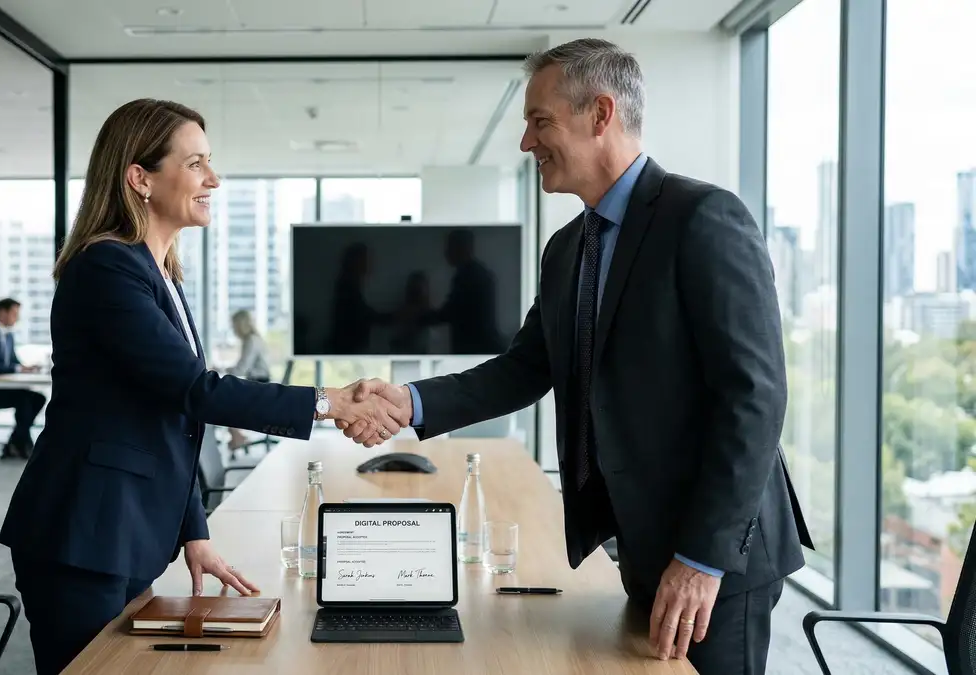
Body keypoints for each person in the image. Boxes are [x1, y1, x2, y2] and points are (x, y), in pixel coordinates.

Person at [339, 39, 812, 675]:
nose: (526, 142)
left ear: (600, 114)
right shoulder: (567, 248)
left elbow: (754, 396)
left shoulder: (702, 217)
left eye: (540, 121)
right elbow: (525, 368)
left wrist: (702, 559)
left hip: (716, 559)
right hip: (640, 543)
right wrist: (409, 402)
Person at [0, 98, 409, 675]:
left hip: (122, 529)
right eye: (195, 164)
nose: (213, 179)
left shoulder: (160, 273)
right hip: (83, 532)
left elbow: (174, 418)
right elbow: (196, 389)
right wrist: (330, 402)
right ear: (140, 178)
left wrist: (195, 531)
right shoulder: (105, 269)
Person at [0, 297, 46, 459]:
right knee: (25, 400)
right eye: (14, 314)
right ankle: (20, 443)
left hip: (5, 388)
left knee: (38, 398)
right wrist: (18, 368)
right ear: (2, 313)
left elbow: (13, 360)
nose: (17, 318)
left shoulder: (9, 336)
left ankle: (16, 442)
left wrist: (26, 368)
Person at [222, 309, 270, 451]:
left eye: (234, 325)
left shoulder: (251, 341)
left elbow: (241, 369)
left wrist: (222, 369)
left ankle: (236, 436)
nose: (233, 329)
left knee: (222, 398)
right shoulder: (255, 339)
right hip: (259, 383)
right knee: (224, 396)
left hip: (259, 385)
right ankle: (236, 435)